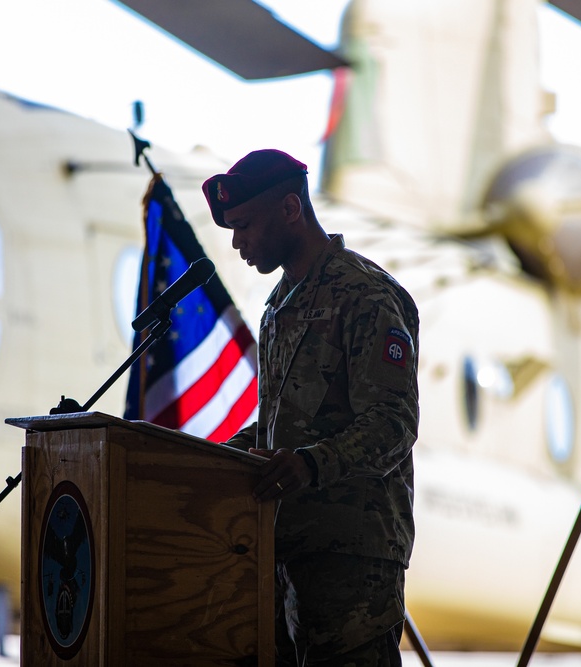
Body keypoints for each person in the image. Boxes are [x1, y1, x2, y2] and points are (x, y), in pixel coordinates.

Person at [201, 149, 420, 666]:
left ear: (291, 210)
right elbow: (282, 426)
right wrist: (213, 456)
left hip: (352, 561)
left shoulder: (365, 294)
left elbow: (394, 423)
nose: (238, 243)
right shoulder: (279, 305)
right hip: (285, 554)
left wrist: (311, 464)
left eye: (246, 226)